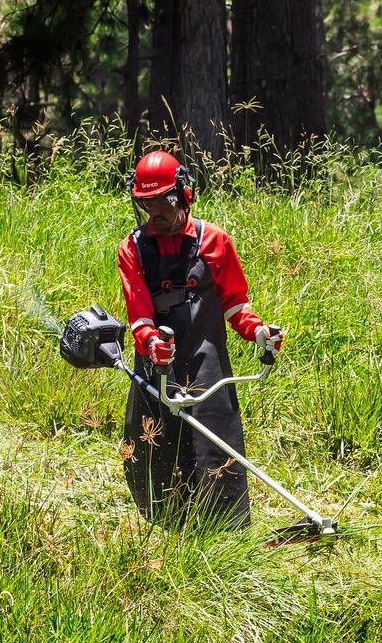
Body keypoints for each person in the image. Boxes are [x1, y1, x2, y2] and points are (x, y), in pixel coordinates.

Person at [116, 150, 282, 528]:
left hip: (206, 354)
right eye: (147, 204)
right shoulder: (133, 248)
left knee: (214, 441)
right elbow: (139, 313)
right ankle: (166, 527)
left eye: (164, 202)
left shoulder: (215, 241)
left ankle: (225, 532)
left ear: (184, 194)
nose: (155, 213)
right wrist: (150, 342)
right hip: (156, 356)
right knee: (156, 442)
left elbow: (235, 304)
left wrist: (258, 332)